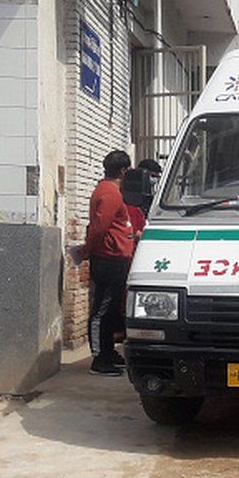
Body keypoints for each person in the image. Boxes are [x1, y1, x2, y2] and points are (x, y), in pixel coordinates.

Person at [86, 150, 134, 376]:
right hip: (108, 259)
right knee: (102, 310)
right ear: (124, 171)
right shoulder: (110, 194)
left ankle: (108, 352)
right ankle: (99, 357)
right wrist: (87, 250)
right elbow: (99, 228)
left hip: (116, 258)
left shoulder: (110, 192)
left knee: (111, 308)